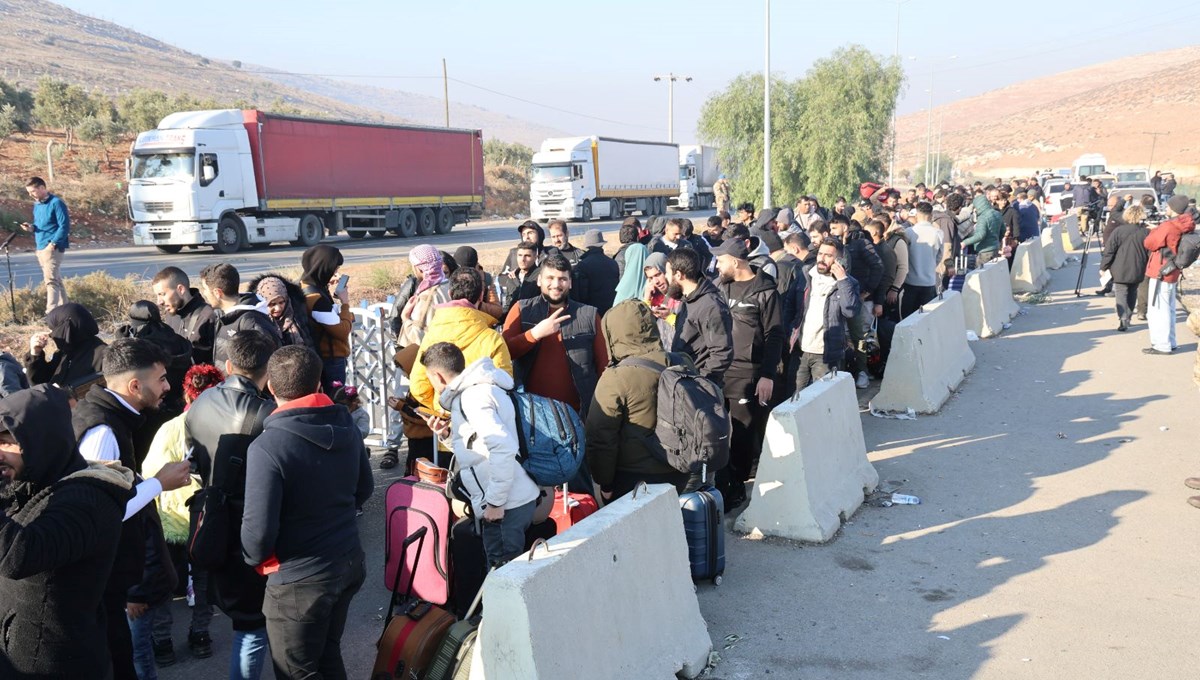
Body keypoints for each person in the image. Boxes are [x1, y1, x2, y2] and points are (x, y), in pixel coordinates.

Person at [242, 345, 374, 680]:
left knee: (297, 671)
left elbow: (257, 535)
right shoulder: (346, 424)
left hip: (299, 580)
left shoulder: (268, 447)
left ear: (270, 387)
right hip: (346, 562)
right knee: (328, 656)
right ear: (319, 384)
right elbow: (365, 488)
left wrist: (255, 559)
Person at [73, 338, 192, 680]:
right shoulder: (102, 430)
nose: (168, 387)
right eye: (162, 379)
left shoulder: (113, 416)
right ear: (135, 385)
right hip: (110, 585)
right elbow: (100, 511)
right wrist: (158, 483)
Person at [0, 386, 136, 680]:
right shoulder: (38, 479)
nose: (0, 453)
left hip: (56, 663)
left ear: (41, 441)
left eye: (8, 443)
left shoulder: (88, 500)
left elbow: (16, 556)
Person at [184, 331, 278, 679]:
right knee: (252, 624)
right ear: (269, 369)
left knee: (240, 615)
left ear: (228, 365)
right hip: (247, 521)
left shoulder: (200, 403)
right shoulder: (266, 414)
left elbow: (192, 457)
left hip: (209, 514)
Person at [419, 343, 539, 566]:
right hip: (517, 497)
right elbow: (479, 448)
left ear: (438, 376)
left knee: (502, 580)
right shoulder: (483, 389)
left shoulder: (471, 398)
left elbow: (503, 446)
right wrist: (447, 435)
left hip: (505, 506)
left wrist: (494, 502)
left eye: (430, 379)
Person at [138, 363, 223, 669]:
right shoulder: (222, 424)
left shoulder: (170, 428)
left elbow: (149, 472)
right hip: (205, 519)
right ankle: (200, 636)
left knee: (163, 583)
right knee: (202, 582)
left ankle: (162, 643)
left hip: (170, 518)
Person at [404, 267, 514, 470]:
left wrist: (441, 410)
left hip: (446, 430)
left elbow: (418, 386)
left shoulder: (432, 334)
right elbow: (504, 385)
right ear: (481, 296)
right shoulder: (491, 338)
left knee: (452, 488)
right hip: (485, 430)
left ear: (450, 293)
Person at [586, 300, 694, 500]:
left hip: (633, 478)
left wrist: (605, 482)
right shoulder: (682, 361)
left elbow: (600, 437)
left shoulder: (615, 377)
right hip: (680, 469)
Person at [711, 238, 783, 511]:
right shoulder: (719, 286)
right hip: (720, 370)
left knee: (742, 434)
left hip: (748, 373)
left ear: (736, 261)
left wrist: (767, 375)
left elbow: (775, 335)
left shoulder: (765, 291)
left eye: (721, 259)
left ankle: (738, 485)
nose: (718, 264)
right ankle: (722, 481)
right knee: (718, 431)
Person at [503, 254, 608, 417]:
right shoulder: (521, 310)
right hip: (532, 414)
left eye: (562, 279)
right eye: (550, 278)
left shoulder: (589, 315)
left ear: (570, 282)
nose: (556, 284)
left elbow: (604, 366)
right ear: (539, 280)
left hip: (578, 414)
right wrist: (534, 334)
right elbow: (504, 352)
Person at [792, 238, 862, 388]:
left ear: (839, 260)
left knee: (820, 400)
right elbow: (789, 307)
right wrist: (789, 333)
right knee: (793, 399)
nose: (822, 259)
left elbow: (850, 311)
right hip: (800, 350)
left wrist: (843, 280)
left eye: (828, 255)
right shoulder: (805, 275)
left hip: (826, 353)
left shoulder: (849, 283)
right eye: (820, 254)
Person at [667, 247, 734, 388]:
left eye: (668, 273)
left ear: (678, 275)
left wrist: (700, 383)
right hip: (685, 382)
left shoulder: (710, 306)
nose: (666, 277)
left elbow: (722, 353)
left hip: (700, 388)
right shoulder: (687, 299)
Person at [199, 263, 282, 369]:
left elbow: (265, 366)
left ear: (217, 293)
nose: (204, 294)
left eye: (205, 289)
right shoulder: (222, 316)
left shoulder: (251, 322)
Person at [1142, 195, 1195, 355]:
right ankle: (1170, 342)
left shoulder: (1169, 226)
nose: (1166, 209)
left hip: (1161, 269)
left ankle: (1161, 344)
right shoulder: (1185, 224)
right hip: (1172, 268)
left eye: (1168, 206)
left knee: (1158, 309)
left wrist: (1155, 230)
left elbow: (1150, 243)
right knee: (1169, 307)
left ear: (1174, 209)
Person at [300, 244, 353, 393]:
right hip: (330, 361)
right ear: (323, 269)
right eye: (334, 270)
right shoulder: (315, 299)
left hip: (320, 358)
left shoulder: (305, 286)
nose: (336, 274)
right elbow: (342, 331)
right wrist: (345, 303)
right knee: (336, 401)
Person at [23, 301, 107, 393]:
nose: (51, 334)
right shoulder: (63, 353)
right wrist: (35, 353)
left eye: (53, 329)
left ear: (66, 328)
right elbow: (40, 382)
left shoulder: (104, 355)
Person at [19, 176, 70, 313]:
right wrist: (31, 227)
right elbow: (40, 225)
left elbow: (64, 226)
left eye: (33, 191)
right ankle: (65, 309)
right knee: (56, 279)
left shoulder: (56, 203)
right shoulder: (37, 205)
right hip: (40, 247)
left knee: (51, 281)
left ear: (42, 188)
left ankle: (51, 312)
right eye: (29, 192)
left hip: (52, 247)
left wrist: (53, 243)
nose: (31, 195)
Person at [1099, 204, 1151, 333]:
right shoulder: (1145, 232)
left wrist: (1104, 266)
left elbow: (1109, 250)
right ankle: (1128, 316)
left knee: (1121, 292)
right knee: (1133, 292)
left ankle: (1122, 317)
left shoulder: (1119, 231)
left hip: (1120, 267)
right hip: (1138, 267)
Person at [152, 266, 217, 365]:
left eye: (162, 294)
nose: (159, 302)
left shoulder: (209, 315)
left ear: (180, 289)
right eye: (157, 295)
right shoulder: (171, 314)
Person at [251, 273, 317, 350]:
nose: (278, 308)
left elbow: (310, 343)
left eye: (281, 302)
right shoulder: (258, 323)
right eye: (272, 304)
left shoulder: (298, 315)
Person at [903, 202, 946, 318]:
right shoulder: (938, 233)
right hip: (929, 281)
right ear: (931, 214)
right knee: (924, 318)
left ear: (917, 214)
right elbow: (939, 256)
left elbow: (904, 256)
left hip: (910, 282)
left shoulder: (909, 232)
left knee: (908, 317)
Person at [570, 229, 620, 315]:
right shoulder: (613, 263)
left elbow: (580, 295)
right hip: (612, 310)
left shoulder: (582, 265)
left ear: (588, 246)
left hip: (592, 312)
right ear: (602, 245)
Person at [452, 246, 505, 320]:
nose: (465, 275)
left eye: (469, 270)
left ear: (476, 266)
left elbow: (497, 311)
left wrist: (477, 303)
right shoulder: (451, 277)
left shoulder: (486, 279)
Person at [497, 242, 541, 314]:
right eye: (520, 255)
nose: (522, 259)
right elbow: (508, 304)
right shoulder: (512, 277)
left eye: (527, 256)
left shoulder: (541, 275)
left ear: (535, 257)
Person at [963, 194, 1003, 267]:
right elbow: (1003, 229)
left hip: (984, 251)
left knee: (982, 275)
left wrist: (965, 242)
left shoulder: (983, 217)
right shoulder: (997, 213)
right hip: (995, 248)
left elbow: (981, 235)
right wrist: (998, 240)